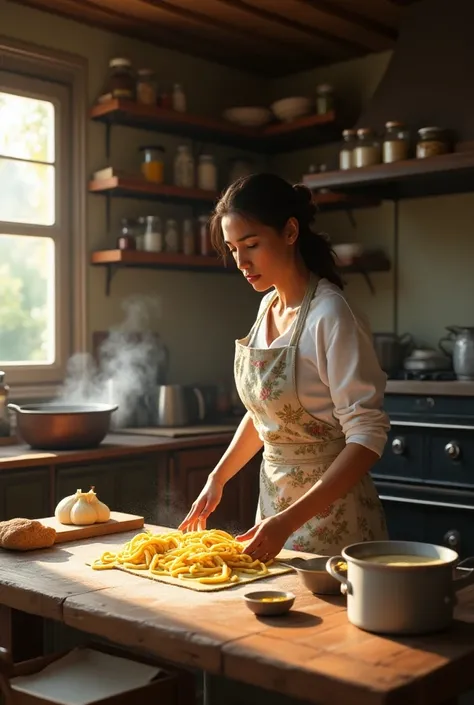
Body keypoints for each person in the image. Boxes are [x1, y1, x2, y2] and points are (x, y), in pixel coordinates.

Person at [179, 173, 390, 562]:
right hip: (274, 512)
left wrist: (289, 520)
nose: (241, 262)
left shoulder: (331, 315)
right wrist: (218, 478)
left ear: (290, 231)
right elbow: (264, 412)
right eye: (232, 248)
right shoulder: (267, 308)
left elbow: (366, 436)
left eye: (252, 245)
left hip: (333, 516)